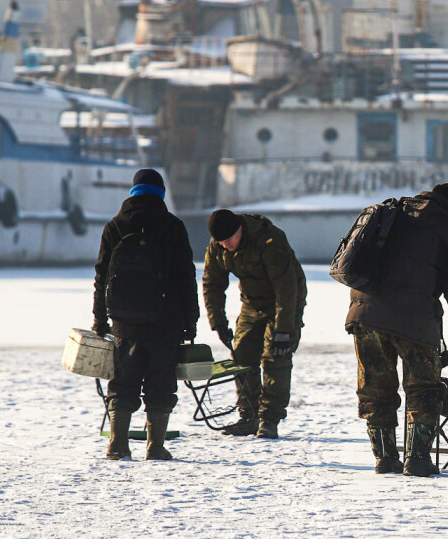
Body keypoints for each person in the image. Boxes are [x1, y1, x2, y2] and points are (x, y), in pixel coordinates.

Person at [346, 183, 448, 477]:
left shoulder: (392, 212)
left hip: (364, 316)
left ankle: (384, 458)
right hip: (415, 320)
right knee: (424, 389)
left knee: (375, 389)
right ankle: (417, 459)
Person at [93, 168, 199, 461]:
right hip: (166, 321)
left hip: (124, 321)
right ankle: (155, 446)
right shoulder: (172, 226)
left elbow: (102, 275)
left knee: (123, 380)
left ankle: (117, 443)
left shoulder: (114, 226)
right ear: (161, 193)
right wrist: (191, 321)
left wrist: (100, 318)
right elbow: (185, 276)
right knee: (161, 381)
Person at [202, 208, 308, 439]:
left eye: (228, 240)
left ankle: (269, 419)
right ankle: (249, 416)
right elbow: (212, 283)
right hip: (252, 303)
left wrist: (284, 330)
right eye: (220, 241)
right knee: (242, 355)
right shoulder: (218, 247)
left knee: (276, 355)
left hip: (286, 299)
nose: (224, 245)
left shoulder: (269, 239)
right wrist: (218, 321)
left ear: (240, 229)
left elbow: (286, 288)